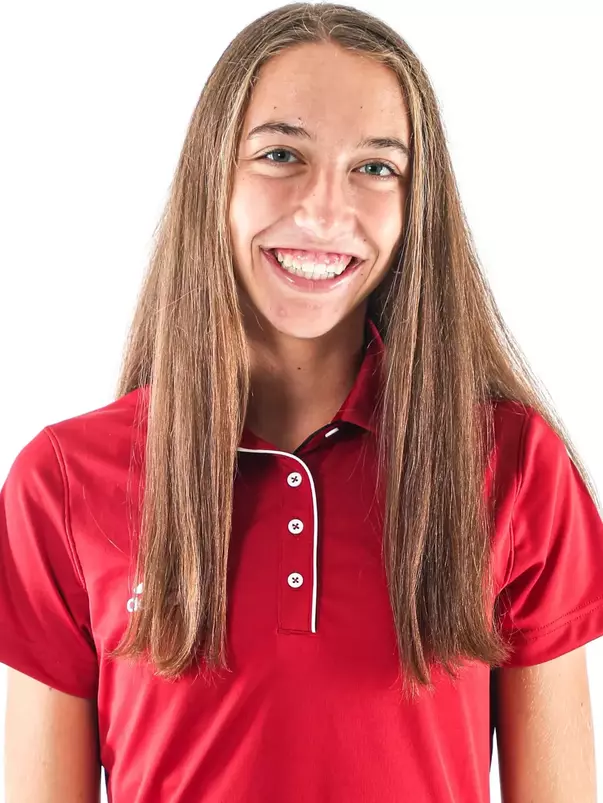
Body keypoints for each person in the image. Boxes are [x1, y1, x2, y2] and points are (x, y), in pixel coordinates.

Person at [1, 4, 602, 802]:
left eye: (375, 166)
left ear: (415, 203)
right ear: (211, 174)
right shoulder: (64, 481)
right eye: (281, 153)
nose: (325, 210)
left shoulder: (511, 464)